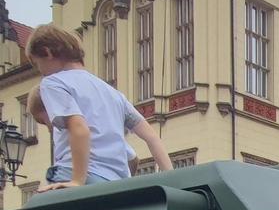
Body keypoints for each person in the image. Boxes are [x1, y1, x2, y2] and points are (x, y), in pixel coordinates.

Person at [24, 25, 172, 190]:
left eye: (38, 65)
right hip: (115, 183)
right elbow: (152, 137)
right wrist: (173, 179)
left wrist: (77, 181)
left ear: (48, 53)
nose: (41, 72)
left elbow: (80, 129)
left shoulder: (53, 83)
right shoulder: (112, 93)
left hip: (75, 172)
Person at [28, 86, 144, 177]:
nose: (49, 129)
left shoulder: (71, 130)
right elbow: (132, 159)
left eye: (44, 121)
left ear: (50, 107)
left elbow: (133, 160)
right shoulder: (99, 128)